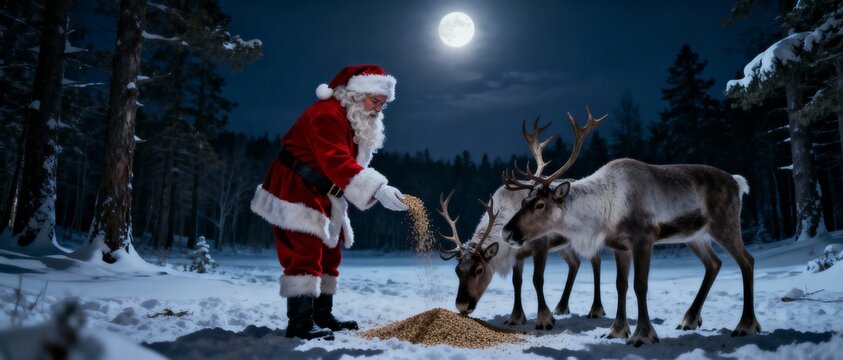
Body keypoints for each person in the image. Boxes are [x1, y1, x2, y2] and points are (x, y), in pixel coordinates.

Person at [250, 64, 409, 340]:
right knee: (305, 250)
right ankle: (300, 323)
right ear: (356, 95)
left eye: (383, 104)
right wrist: (379, 189)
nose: (378, 109)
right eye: (375, 101)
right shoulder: (326, 115)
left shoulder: (350, 118)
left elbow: (342, 165)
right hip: (296, 186)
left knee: (330, 251)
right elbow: (337, 161)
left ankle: (321, 315)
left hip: (324, 189)